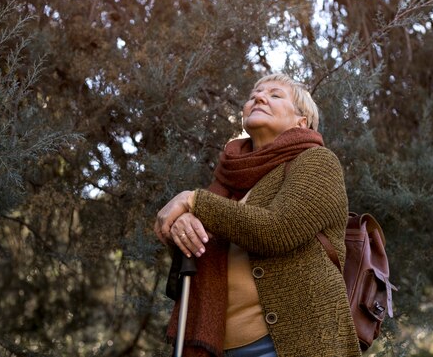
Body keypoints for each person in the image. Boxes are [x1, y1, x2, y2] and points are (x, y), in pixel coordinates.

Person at [155, 73, 361, 357]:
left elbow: (279, 230)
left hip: (294, 344)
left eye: (275, 95)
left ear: (302, 122)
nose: (259, 98)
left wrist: (191, 201)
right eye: (254, 95)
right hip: (220, 349)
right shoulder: (227, 183)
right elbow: (198, 257)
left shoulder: (317, 161)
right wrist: (184, 226)